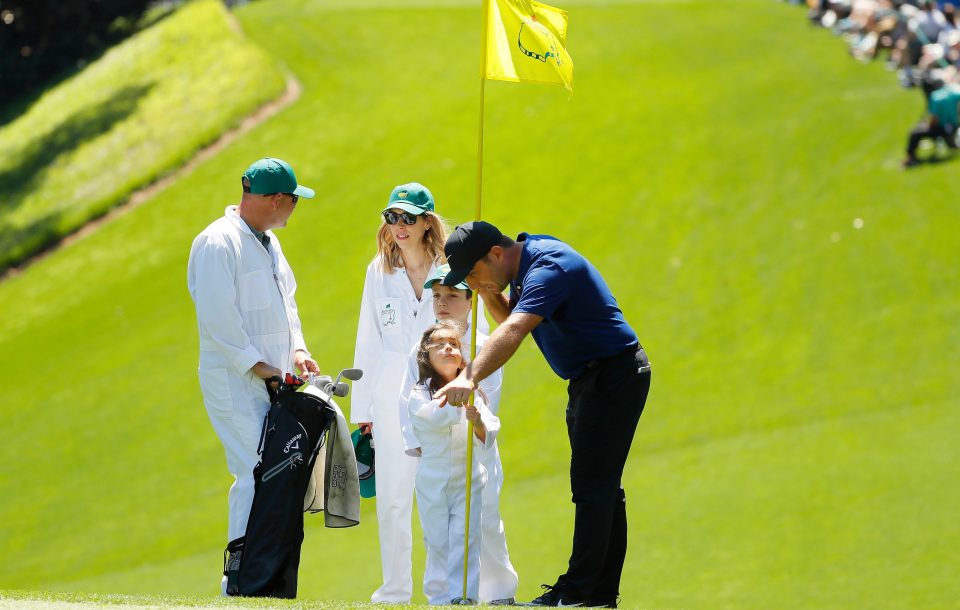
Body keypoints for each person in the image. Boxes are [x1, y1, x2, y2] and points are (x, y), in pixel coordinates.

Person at [434, 221, 652, 608]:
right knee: (602, 487)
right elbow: (511, 316)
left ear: (496, 254)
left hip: (613, 375)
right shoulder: (522, 262)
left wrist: (469, 376)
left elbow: (517, 328)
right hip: (592, 378)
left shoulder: (549, 268)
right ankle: (599, 594)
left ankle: (577, 592)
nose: (469, 280)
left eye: (473, 272)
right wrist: (487, 289)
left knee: (592, 486)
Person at [186, 157, 320, 593]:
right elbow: (217, 318)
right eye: (294, 200)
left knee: (274, 472)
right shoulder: (216, 243)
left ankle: (266, 579)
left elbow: (288, 304)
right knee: (253, 471)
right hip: (234, 381)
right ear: (277, 199)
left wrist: (297, 350)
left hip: (274, 380)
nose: (295, 208)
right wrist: (259, 365)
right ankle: (240, 580)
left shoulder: (268, 243)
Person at [351, 182, 449, 603]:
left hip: (436, 389)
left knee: (437, 493)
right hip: (389, 392)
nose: (399, 226)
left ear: (428, 221)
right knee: (392, 498)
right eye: (392, 217)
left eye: (408, 218)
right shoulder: (379, 271)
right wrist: (363, 409)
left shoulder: (449, 268)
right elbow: (368, 340)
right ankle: (394, 590)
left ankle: (442, 587)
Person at [398, 265, 518, 605]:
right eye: (436, 296)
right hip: (438, 456)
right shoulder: (423, 346)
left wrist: (466, 409)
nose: (442, 303)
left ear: (471, 299)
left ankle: (499, 593)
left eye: (452, 295)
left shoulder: (485, 346)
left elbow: (484, 398)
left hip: (476, 453)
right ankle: (448, 595)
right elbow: (408, 397)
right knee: (440, 534)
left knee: (487, 524)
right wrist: (418, 444)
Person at [406, 321, 500, 605]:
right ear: (427, 357)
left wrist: (478, 421)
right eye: (440, 345)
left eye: (454, 345)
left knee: (466, 538)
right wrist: (454, 402)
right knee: (437, 540)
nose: (448, 348)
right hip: (434, 479)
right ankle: (439, 597)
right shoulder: (420, 392)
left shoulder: (475, 392)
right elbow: (428, 419)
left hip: (468, 477)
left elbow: (489, 431)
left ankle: (465, 596)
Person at [902, 81, 960, 167]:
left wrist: (927, 124)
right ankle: (951, 143)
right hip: (954, 125)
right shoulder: (952, 93)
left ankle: (910, 158)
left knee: (915, 133)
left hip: (942, 128)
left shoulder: (935, 97)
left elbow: (934, 120)